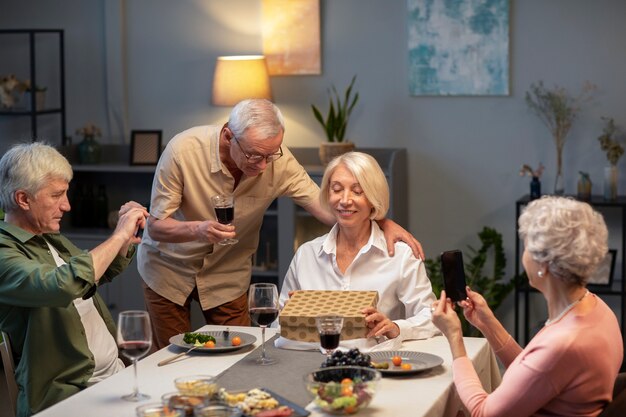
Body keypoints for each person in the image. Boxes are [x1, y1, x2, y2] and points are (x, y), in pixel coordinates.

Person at [137, 99, 424, 350]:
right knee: (174, 355)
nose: (263, 166)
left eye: (270, 155)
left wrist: (380, 218)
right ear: (228, 136)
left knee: (240, 353)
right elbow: (156, 226)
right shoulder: (183, 151)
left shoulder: (278, 159)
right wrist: (198, 230)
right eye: (254, 155)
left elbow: (328, 207)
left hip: (227, 272)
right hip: (169, 269)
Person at [431, 196, 623, 416]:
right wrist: (488, 324)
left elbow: (482, 412)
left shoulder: (564, 344)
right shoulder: (598, 310)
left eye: (526, 247)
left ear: (543, 265)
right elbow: (539, 373)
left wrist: (455, 337)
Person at [0, 142, 148, 417]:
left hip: (116, 377)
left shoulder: (49, 237)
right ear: (23, 199)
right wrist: (116, 236)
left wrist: (125, 239)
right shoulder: (4, 252)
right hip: (70, 397)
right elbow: (61, 285)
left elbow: (92, 274)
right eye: (56, 195)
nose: (66, 205)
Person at [278, 152, 439, 351]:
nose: (345, 200)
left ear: (374, 197)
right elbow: (277, 323)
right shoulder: (306, 255)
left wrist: (396, 327)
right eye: (336, 189)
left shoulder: (400, 256)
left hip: (377, 367)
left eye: (357, 191)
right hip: (310, 367)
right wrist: (291, 315)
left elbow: (431, 316)